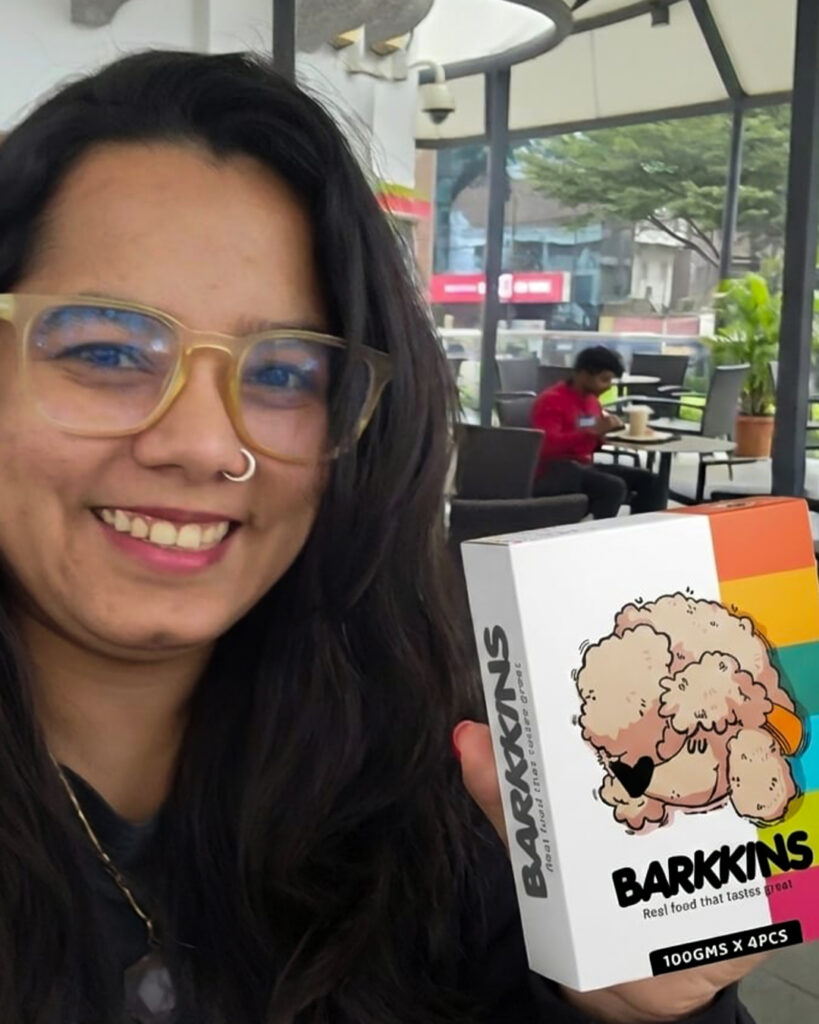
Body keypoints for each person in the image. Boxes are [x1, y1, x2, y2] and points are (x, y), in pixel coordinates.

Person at [0, 50, 758, 1024]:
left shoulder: (453, 790)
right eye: (106, 351)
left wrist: (646, 1007)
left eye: (284, 374)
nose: (203, 444)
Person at [531, 346, 668, 518]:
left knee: (651, 481)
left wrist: (614, 432)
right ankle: (596, 531)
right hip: (553, 471)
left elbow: (591, 438)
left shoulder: (592, 402)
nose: (608, 387)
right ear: (583, 375)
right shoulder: (551, 401)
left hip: (583, 466)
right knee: (613, 487)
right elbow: (545, 446)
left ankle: (643, 528)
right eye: (604, 379)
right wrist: (592, 432)